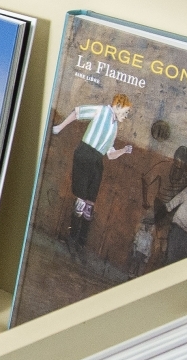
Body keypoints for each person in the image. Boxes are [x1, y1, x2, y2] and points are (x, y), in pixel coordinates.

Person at [51, 94, 134, 254]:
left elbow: (109, 154)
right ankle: (72, 238)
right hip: (84, 154)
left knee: (90, 205)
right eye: (125, 111)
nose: (126, 115)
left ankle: (81, 243)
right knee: (81, 201)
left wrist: (123, 151)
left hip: (97, 160)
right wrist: (60, 127)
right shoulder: (102, 111)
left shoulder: (115, 126)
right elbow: (77, 112)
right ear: (117, 105)